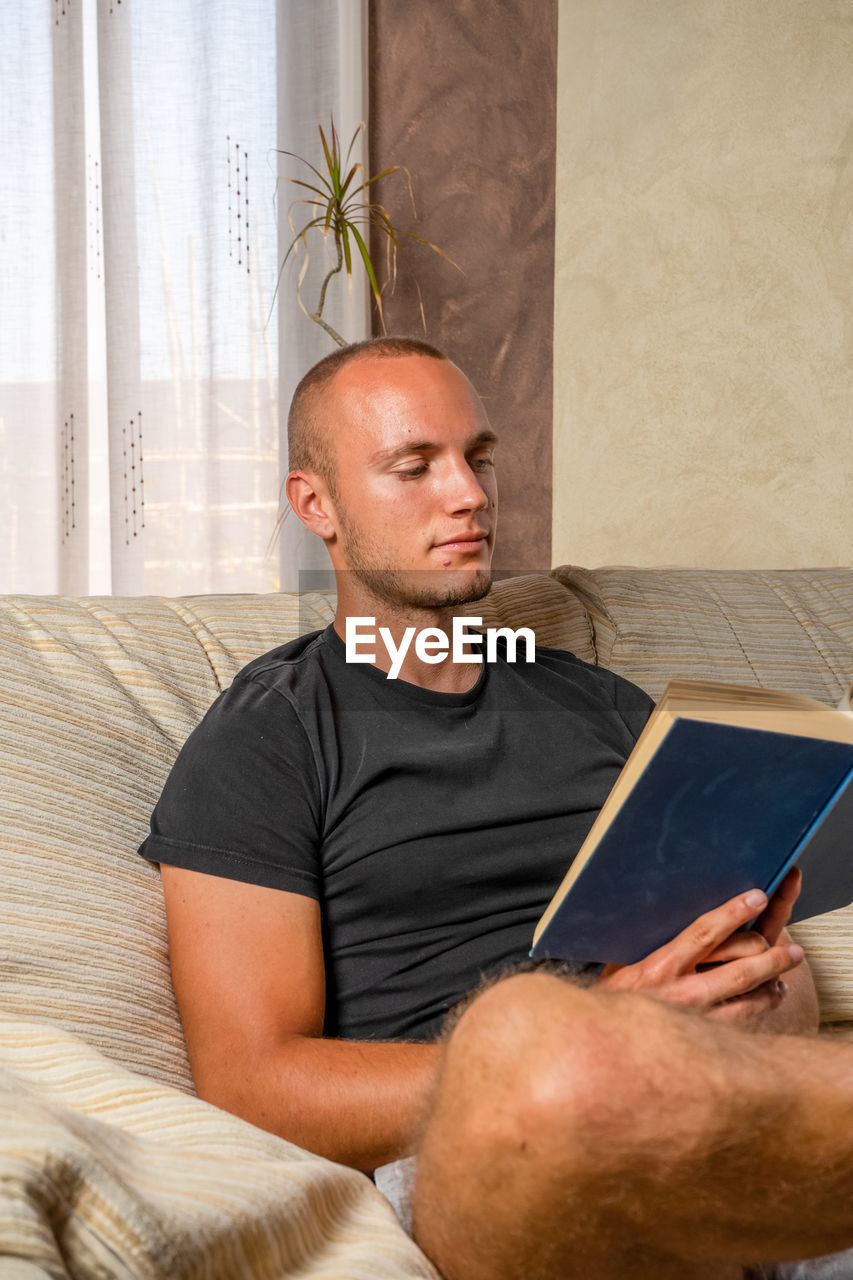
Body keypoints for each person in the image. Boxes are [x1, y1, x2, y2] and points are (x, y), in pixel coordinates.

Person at [140, 337, 853, 1280]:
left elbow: (768, 988)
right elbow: (251, 1086)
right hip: (471, 1145)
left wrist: (753, 977)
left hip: (714, 1114)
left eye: (477, 458)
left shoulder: (597, 704)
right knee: (523, 1027)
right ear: (317, 505)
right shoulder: (269, 734)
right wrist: (597, 1026)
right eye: (414, 466)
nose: (470, 495)